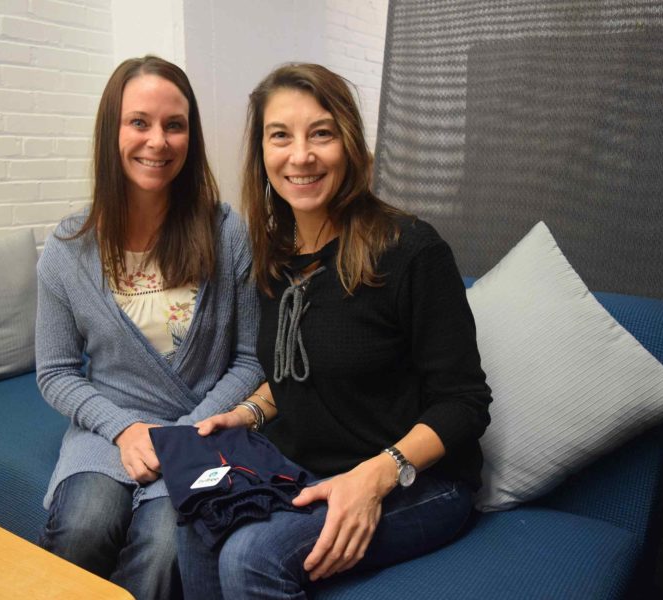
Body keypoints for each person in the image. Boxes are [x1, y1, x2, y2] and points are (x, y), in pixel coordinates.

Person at [176, 63, 493, 599]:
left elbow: (464, 402)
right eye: (281, 136)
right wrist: (247, 413)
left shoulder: (413, 250)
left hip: (419, 483)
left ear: (348, 143)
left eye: (320, 133)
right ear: (262, 155)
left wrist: (375, 477)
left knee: (250, 559)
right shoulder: (275, 258)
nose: (301, 156)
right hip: (304, 465)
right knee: (197, 519)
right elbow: (298, 374)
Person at [34, 55, 263, 600]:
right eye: (139, 122)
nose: (157, 141)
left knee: (164, 553)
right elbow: (57, 373)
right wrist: (125, 430)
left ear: (192, 136)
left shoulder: (226, 231)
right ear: (111, 130)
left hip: (202, 432)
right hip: (110, 431)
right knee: (82, 530)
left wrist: (187, 434)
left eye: (174, 125)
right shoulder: (69, 250)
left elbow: (251, 360)